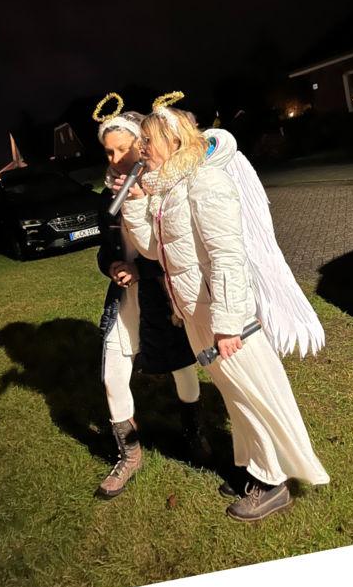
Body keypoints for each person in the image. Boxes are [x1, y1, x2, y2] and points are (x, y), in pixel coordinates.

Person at [113, 92, 330, 522]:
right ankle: (253, 467)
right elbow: (155, 252)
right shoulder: (168, 190)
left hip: (225, 320)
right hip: (196, 315)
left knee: (254, 396)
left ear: (174, 141)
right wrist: (135, 205)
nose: (141, 150)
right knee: (235, 397)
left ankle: (273, 483)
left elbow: (229, 257)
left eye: (147, 141)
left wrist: (229, 324)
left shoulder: (205, 183)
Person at [94, 95, 211, 500]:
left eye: (122, 148)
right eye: (108, 152)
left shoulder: (164, 187)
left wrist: (141, 270)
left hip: (163, 294)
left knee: (182, 365)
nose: (116, 159)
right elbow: (106, 249)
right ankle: (130, 455)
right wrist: (112, 265)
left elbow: (174, 250)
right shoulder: (107, 196)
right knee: (112, 372)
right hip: (125, 297)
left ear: (141, 143)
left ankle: (193, 431)